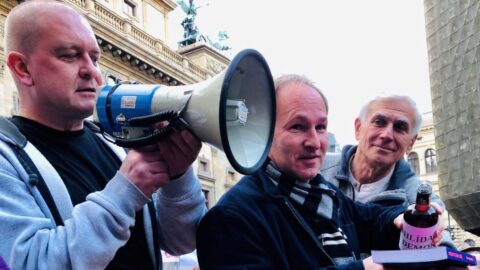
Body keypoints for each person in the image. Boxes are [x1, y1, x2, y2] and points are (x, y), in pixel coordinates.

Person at [0, 1, 206, 270]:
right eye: (70, 55)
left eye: (94, 58)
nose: (93, 72)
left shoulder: (116, 145)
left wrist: (177, 181)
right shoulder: (6, 159)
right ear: (22, 68)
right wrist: (125, 192)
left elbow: (181, 242)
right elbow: (33, 262)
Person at [196, 74, 423, 269]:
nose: (315, 142)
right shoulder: (231, 218)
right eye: (298, 126)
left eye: (321, 127)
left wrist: (405, 217)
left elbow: (371, 217)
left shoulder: (325, 194)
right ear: (264, 132)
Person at [320, 94, 454, 249]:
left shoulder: (416, 201)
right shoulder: (315, 169)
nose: (387, 135)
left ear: (411, 142)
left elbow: (442, 247)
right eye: (379, 122)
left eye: (400, 127)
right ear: (358, 128)